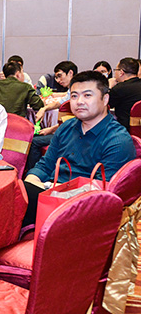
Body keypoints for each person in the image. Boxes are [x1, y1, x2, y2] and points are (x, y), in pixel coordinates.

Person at [23, 71, 136, 227]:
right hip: (49, 196)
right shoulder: (66, 127)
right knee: (15, 193)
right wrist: (32, 180)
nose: (79, 102)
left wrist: (48, 192)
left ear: (105, 99)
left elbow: (101, 193)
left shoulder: (117, 140)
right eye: (74, 96)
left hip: (83, 210)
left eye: (87, 95)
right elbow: (45, 164)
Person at [25, 60, 79, 171]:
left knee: (35, 142)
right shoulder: (72, 90)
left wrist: (52, 129)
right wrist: (44, 108)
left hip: (72, 134)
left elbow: (75, 120)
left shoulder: (77, 92)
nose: (58, 80)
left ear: (70, 73)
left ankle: (35, 172)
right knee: (35, 137)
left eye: (60, 76)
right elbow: (60, 103)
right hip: (67, 129)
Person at [108, 57, 141, 131]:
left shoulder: (119, 88)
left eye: (116, 70)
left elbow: (105, 105)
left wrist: (109, 87)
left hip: (125, 131)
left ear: (121, 72)